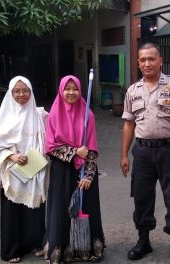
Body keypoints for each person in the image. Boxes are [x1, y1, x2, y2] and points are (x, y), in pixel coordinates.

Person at [120, 42, 170, 263]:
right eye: (142, 60)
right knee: (142, 197)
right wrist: (124, 154)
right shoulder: (132, 91)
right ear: (138, 62)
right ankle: (143, 240)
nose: (147, 63)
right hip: (142, 152)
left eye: (151, 59)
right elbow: (128, 124)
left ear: (160, 60)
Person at [44, 75, 105, 263]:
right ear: (61, 91)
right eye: (67, 89)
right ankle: (61, 249)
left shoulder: (89, 115)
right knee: (61, 209)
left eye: (75, 89)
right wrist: (75, 151)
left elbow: (92, 148)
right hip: (62, 172)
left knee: (86, 208)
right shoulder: (53, 114)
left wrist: (88, 175)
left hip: (83, 171)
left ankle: (85, 248)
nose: (71, 92)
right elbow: (50, 147)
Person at [0, 76, 48, 263]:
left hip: (34, 168)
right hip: (12, 170)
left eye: (25, 91)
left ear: (31, 92)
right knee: (12, 211)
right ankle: (11, 250)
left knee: (35, 209)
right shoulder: (6, 116)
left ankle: (36, 243)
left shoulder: (40, 115)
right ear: (11, 93)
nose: (22, 94)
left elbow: (50, 137)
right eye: (17, 91)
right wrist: (12, 156)